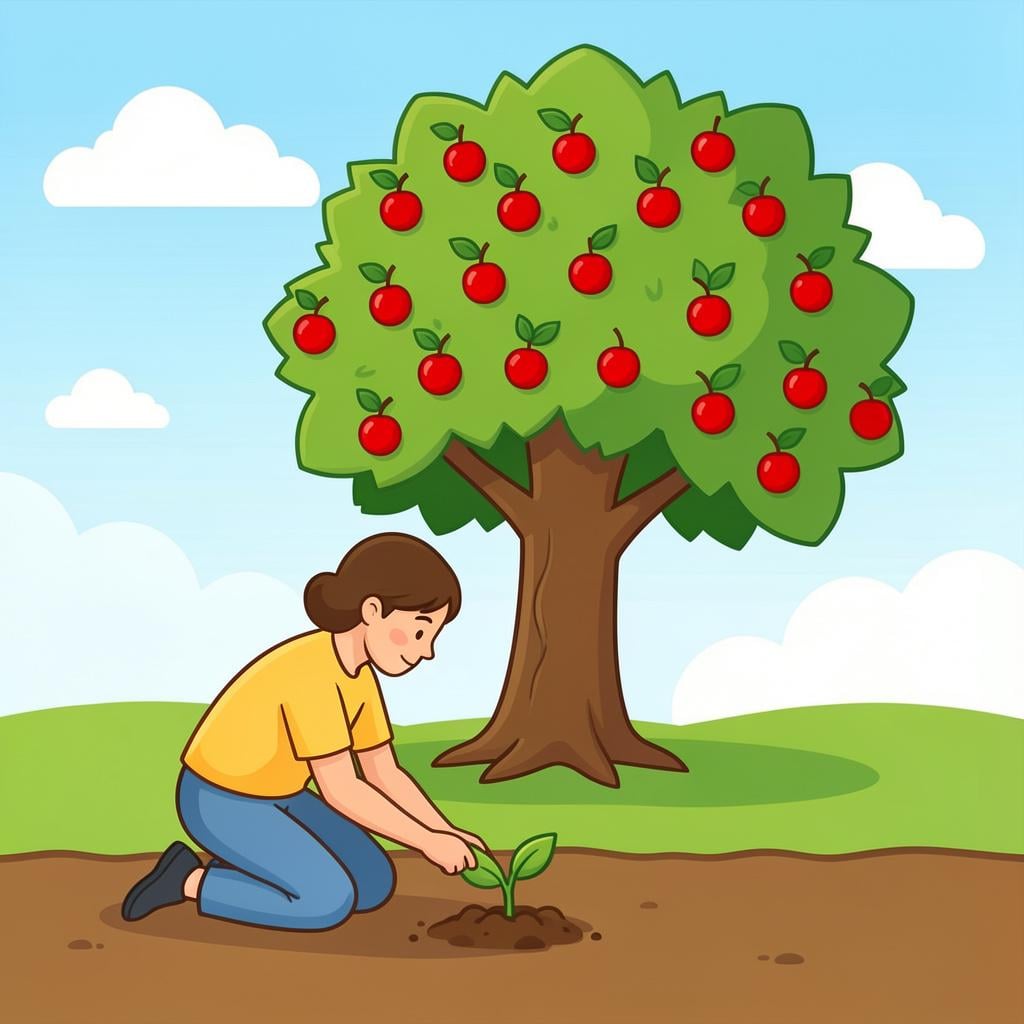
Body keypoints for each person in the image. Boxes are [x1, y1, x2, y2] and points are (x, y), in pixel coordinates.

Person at [120, 532, 483, 932]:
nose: (427, 651)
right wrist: (427, 842)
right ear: (373, 610)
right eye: (418, 632)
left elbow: (384, 771)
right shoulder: (312, 673)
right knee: (326, 901)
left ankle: (258, 866)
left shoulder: (359, 676)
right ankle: (187, 880)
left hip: (282, 796)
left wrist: (441, 829)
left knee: (373, 883)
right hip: (217, 799)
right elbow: (342, 790)